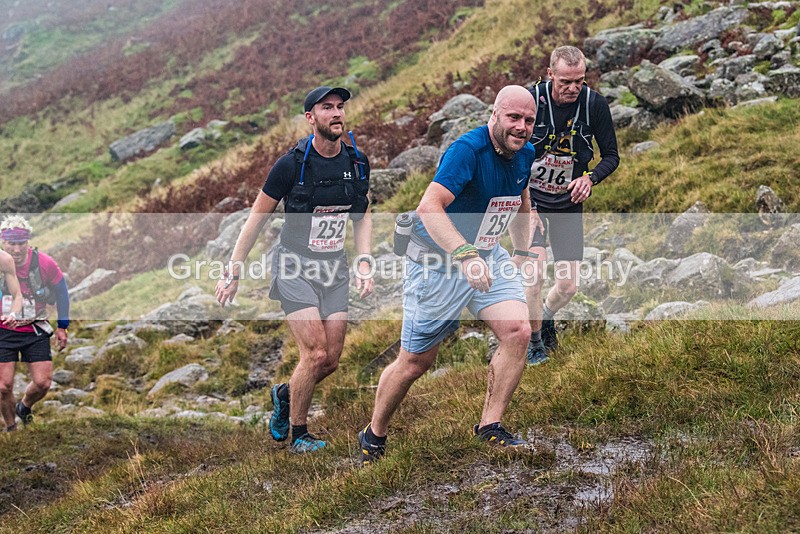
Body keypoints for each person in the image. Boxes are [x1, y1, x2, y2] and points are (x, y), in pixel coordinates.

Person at [357, 85, 538, 466]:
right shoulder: (467, 151)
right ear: (495, 114)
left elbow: (521, 204)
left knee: (518, 331)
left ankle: (491, 425)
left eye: (529, 120)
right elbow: (429, 207)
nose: (521, 127)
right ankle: (374, 433)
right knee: (416, 363)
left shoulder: (526, 153)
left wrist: (521, 251)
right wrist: (464, 254)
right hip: (438, 264)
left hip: (489, 257)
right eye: (514, 118)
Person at [216, 86, 374, 454]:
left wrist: (364, 260)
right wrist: (234, 269)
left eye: (340, 108)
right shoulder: (291, 164)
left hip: (334, 269)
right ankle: (299, 435)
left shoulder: (357, 161)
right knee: (315, 353)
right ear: (310, 118)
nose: (337, 114)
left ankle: (286, 395)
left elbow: (362, 214)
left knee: (330, 360)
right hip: (294, 268)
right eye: (327, 108)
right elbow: (256, 220)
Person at [525, 46, 620, 364]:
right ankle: (533, 340)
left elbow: (611, 156)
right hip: (532, 200)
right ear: (550, 74)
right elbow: (508, 154)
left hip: (567, 202)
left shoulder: (594, 104)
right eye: (566, 81)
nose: (573, 88)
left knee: (567, 284)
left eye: (579, 80)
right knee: (534, 274)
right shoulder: (531, 101)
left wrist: (590, 179)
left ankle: (546, 318)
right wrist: (526, 204)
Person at [0, 215, 70, 431]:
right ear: (3, 242)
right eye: (12, 243)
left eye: (21, 243)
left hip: (34, 328)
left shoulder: (44, 263)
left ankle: (24, 406)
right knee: (3, 386)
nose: (17, 249)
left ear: (28, 242)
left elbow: (62, 292)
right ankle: (11, 428)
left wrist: (62, 326)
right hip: (3, 331)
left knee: (43, 383)